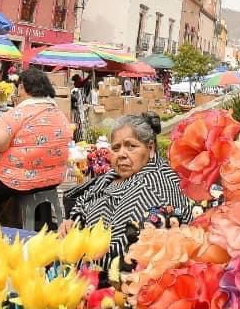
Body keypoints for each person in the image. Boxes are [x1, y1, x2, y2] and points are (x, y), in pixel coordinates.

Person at [64, 113, 195, 263]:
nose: (121, 155)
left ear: (150, 149)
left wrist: (76, 248)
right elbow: (84, 198)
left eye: (130, 146)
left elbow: (123, 254)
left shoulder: (152, 189)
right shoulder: (115, 175)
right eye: (116, 148)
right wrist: (74, 220)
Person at [0, 67, 72, 231]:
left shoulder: (21, 112)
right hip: (51, 180)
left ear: (23, 87)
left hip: (20, 180)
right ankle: (39, 225)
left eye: (19, 88)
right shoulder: (59, 113)